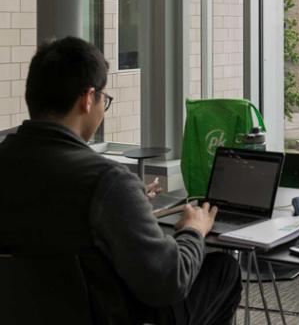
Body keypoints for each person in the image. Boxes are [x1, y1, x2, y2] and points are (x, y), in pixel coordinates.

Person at [0, 37, 241, 324]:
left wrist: (131, 203)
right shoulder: (106, 181)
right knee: (224, 269)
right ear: (88, 98)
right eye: (104, 98)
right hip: (109, 314)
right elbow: (169, 282)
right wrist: (193, 230)